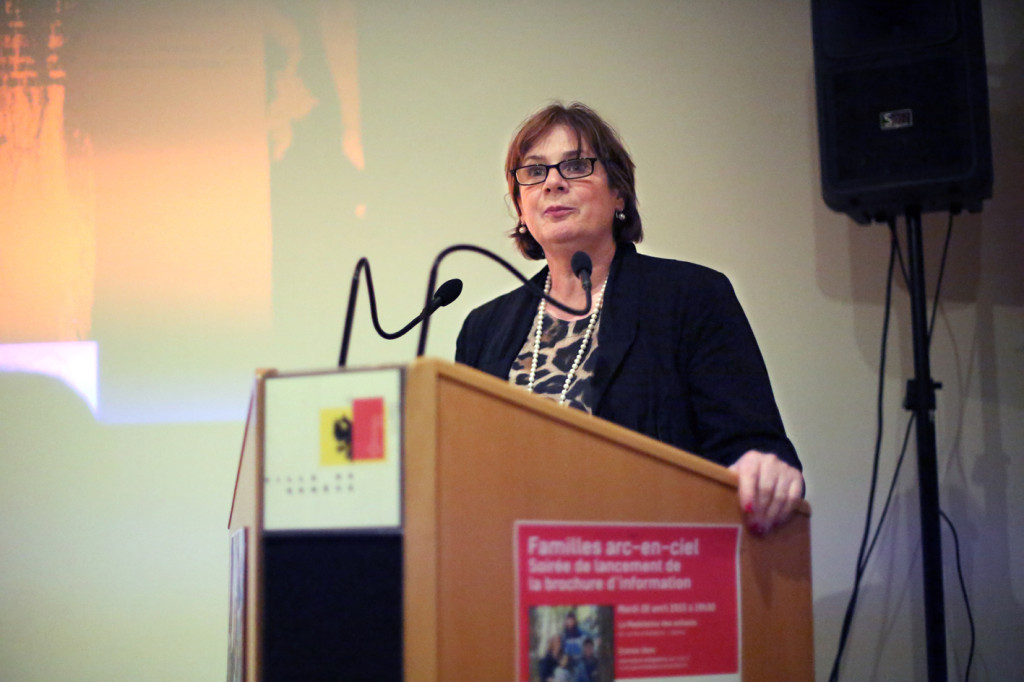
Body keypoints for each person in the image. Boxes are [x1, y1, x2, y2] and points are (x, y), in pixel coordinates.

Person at [455, 102, 804, 535]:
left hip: (648, 558)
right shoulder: (484, 327)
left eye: (576, 165)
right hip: (506, 564)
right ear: (521, 206)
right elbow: (462, 474)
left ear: (618, 192)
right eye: (533, 171)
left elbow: (752, 445)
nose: (553, 183)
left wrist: (762, 466)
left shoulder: (689, 297)